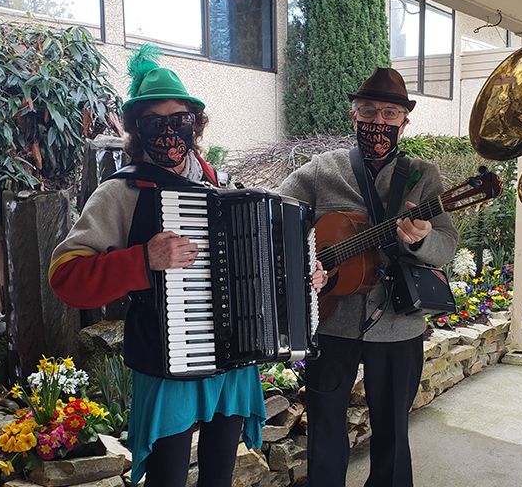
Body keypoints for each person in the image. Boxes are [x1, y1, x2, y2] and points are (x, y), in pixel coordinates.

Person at [48, 45, 326, 487]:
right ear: (137, 130)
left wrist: (300, 279)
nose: (168, 131)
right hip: (166, 363)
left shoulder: (223, 185)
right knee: (167, 479)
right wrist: (143, 260)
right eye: (153, 122)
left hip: (235, 361)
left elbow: (259, 264)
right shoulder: (119, 194)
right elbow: (65, 277)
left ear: (195, 124)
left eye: (179, 120)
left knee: (218, 477)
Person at [276, 67, 459, 487]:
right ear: (353, 116)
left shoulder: (422, 175)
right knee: (324, 426)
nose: (379, 122)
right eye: (369, 111)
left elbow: (447, 244)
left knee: (393, 429)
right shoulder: (323, 170)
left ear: (404, 122)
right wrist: (305, 261)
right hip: (332, 320)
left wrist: (421, 241)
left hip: (398, 323)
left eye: (390, 114)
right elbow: (276, 217)